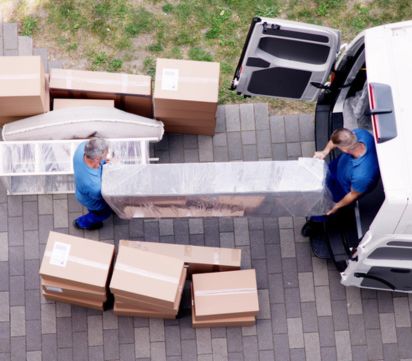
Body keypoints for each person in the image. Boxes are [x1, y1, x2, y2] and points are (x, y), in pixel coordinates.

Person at [302, 127, 380, 236]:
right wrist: (324, 152)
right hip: (339, 167)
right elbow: (335, 141)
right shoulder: (360, 134)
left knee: (324, 205)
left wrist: (336, 206)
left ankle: (316, 223)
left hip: (343, 188)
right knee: (323, 182)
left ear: (344, 150)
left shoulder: (363, 175)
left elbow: (353, 195)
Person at [73, 138, 112, 230]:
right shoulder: (94, 186)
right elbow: (103, 197)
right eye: (105, 154)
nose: (107, 154)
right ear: (96, 158)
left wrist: (103, 162)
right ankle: (82, 223)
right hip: (93, 201)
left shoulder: (82, 148)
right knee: (101, 213)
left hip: (81, 191)